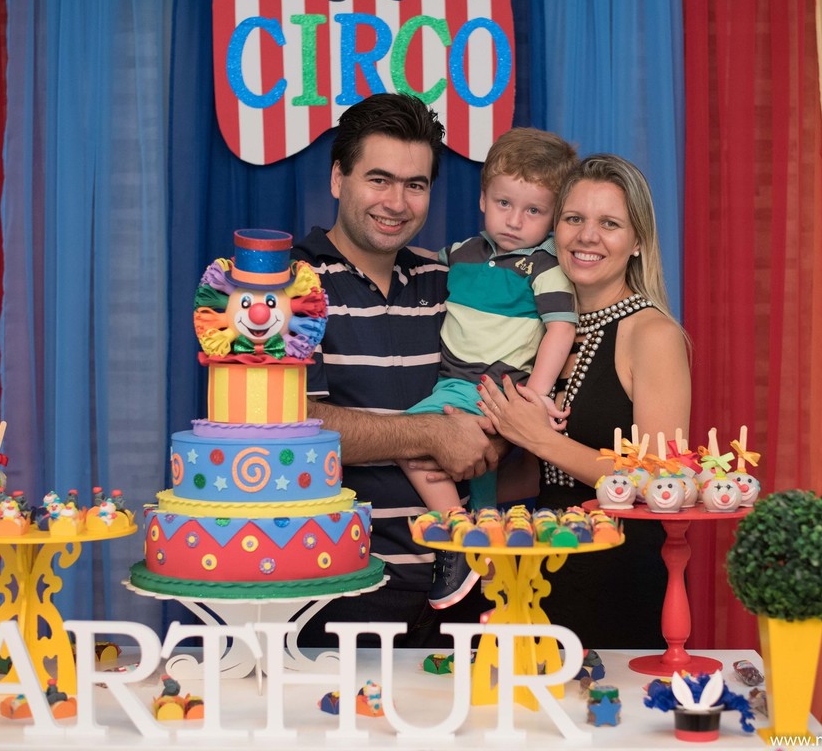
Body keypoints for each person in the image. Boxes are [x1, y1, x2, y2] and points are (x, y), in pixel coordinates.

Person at [291, 93, 500, 647]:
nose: (397, 202)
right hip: (335, 592)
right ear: (338, 178)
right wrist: (430, 433)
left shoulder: (448, 281)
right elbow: (287, 428)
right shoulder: (286, 286)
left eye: (416, 184)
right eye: (378, 179)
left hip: (464, 590)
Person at [475, 153, 691, 649]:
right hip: (535, 566)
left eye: (609, 224)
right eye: (574, 219)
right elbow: (528, 472)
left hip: (615, 574)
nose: (587, 236)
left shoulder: (652, 334)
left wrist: (537, 437)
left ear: (637, 242)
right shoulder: (542, 327)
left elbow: (661, 484)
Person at [401, 127, 579, 609]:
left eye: (534, 211)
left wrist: (536, 394)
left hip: (496, 386)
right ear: (483, 198)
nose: (515, 221)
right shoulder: (462, 254)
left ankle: (456, 541)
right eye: (504, 203)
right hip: (456, 382)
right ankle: (484, 540)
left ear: (553, 217)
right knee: (477, 470)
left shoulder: (545, 268)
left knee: (408, 437)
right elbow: (417, 264)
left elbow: (561, 328)